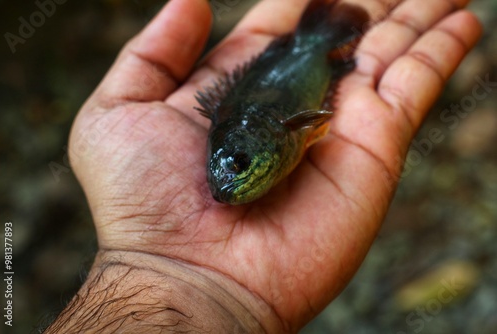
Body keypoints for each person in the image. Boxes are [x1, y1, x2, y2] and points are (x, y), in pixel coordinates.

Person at [43, 0, 482, 332]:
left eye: (236, 162)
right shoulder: (253, 144)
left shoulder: (282, 127)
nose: (221, 186)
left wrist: (156, 272)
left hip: (305, 58)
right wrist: (163, 267)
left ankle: (320, 45)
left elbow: (316, 123)